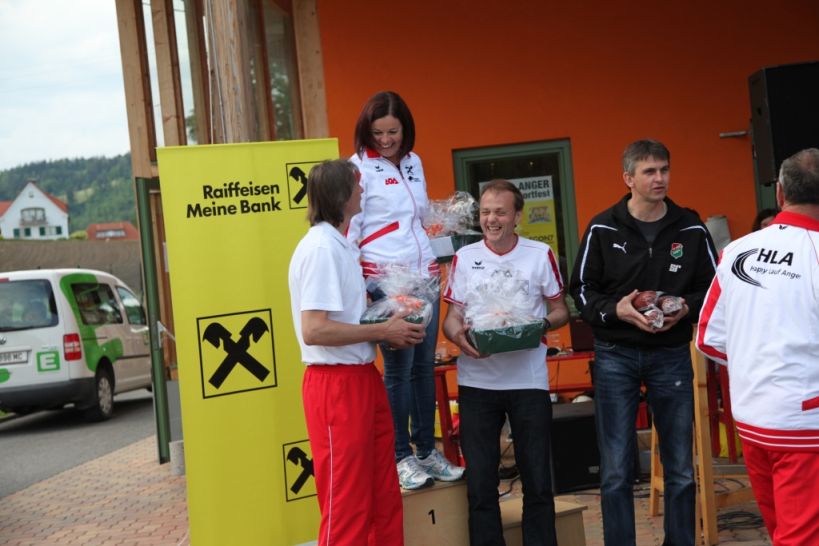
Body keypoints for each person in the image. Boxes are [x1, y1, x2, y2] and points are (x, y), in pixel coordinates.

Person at [568, 139, 717, 546]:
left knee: (681, 468)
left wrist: (685, 307)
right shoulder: (602, 227)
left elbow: (715, 287)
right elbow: (581, 290)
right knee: (616, 469)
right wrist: (617, 310)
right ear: (628, 178)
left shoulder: (690, 228)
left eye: (664, 169)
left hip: (671, 354)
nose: (660, 178)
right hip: (615, 355)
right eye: (649, 171)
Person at [288, 159, 426, 546]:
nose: (363, 190)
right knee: (347, 502)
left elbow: (348, 318)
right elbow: (314, 330)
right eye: (357, 185)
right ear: (342, 195)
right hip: (336, 385)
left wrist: (389, 319)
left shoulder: (342, 245)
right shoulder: (321, 249)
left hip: (362, 376)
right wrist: (383, 329)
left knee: (383, 494)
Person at [697, 148, 819, 545]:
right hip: (805, 424)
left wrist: (758, 360)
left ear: (780, 193)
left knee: (784, 533)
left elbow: (709, 338)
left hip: (754, 418)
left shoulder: (736, 251)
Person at [347, 90, 464, 489]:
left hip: (424, 273)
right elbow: (352, 230)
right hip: (385, 278)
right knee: (399, 369)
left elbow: (418, 217)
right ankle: (400, 456)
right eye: (377, 132)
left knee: (423, 367)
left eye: (392, 132)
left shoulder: (414, 162)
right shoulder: (358, 167)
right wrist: (362, 284)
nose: (385, 140)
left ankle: (427, 452)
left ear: (405, 129)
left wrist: (442, 231)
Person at [443, 179, 570, 546]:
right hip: (477, 383)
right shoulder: (465, 257)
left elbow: (560, 310)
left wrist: (539, 326)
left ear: (517, 216)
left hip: (528, 381)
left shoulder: (539, 254)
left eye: (500, 212)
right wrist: (459, 337)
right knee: (481, 483)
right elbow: (452, 318)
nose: (491, 219)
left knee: (538, 481)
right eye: (485, 212)